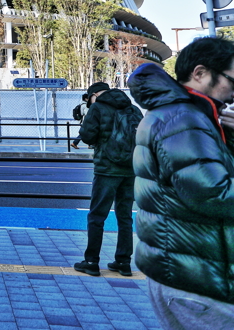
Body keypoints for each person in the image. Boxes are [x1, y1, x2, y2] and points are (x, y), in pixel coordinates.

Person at [130, 37, 234, 327]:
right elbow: (214, 195)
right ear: (200, 73)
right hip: (196, 280)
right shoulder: (182, 118)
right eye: (231, 81)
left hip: (191, 268)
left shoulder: (188, 114)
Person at [72, 82, 142, 277]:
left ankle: (91, 261)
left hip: (106, 170)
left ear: (94, 95)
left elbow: (87, 136)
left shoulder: (98, 108)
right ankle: (123, 262)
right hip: (130, 170)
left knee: (97, 216)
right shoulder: (133, 108)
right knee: (125, 216)